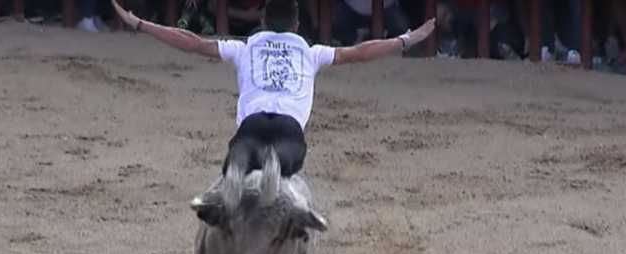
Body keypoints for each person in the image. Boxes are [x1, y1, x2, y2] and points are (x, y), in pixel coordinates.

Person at [111, 0, 436, 179]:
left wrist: (140, 24)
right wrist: (406, 39)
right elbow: (361, 51)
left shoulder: (246, 46)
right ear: (297, 25)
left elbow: (192, 42)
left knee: (230, 180)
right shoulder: (311, 52)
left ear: (263, 22)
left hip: (251, 126)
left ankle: (221, 202)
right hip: (289, 129)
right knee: (287, 181)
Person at [333, 0, 410, 46]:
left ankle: (385, 45)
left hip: (386, 7)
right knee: (336, 24)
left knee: (401, 29)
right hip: (352, 7)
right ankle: (354, 42)